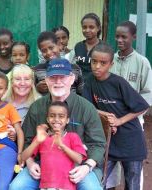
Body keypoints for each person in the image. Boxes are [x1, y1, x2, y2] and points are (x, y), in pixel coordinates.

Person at [9, 58, 105, 190]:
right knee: (17, 187)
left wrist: (87, 166)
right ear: (47, 80)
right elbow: (27, 139)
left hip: (78, 167)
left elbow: (98, 144)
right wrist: (30, 163)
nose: (58, 82)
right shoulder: (37, 107)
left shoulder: (86, 107)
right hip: (44, 164)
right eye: (53, 77)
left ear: (72, 79)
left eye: (63, 77)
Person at [83, 43, 149, 190]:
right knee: (100, 182)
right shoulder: (89, 81)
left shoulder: (118, 82)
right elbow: (87, 107)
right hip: (108, 141)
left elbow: (142, 106)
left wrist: (119, 121)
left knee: (132, 184)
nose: (97, 66)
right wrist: (103, 114)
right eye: (94, 61)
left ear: (111, 64)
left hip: (131, 141)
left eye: (103, 63)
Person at [21, 101, 87, 190]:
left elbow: (79, 159)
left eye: (61, 116)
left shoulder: (72, 136)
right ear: (48, 119)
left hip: (66, 186)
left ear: (67, 120)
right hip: (46, 186)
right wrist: (36, 142)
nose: (56, 119)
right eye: (52, 116)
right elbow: (23, 157)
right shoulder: (42, 137)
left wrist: (62, 146)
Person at [34, 31, 84, 95]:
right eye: (44, 51)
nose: (48, 52)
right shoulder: (38, 70)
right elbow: (33, 93)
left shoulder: (74, 68)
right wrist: (37, 88)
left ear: (58, 45)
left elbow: (81, 92)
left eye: (51, 48)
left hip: (71, 104)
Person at [74, 13, 102, 80]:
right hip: (79, 85)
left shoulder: (104, 48)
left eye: (91, 27)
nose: (87, 30)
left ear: (98, 28)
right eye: (84, 27)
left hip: (96, 86)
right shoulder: (78, 46)